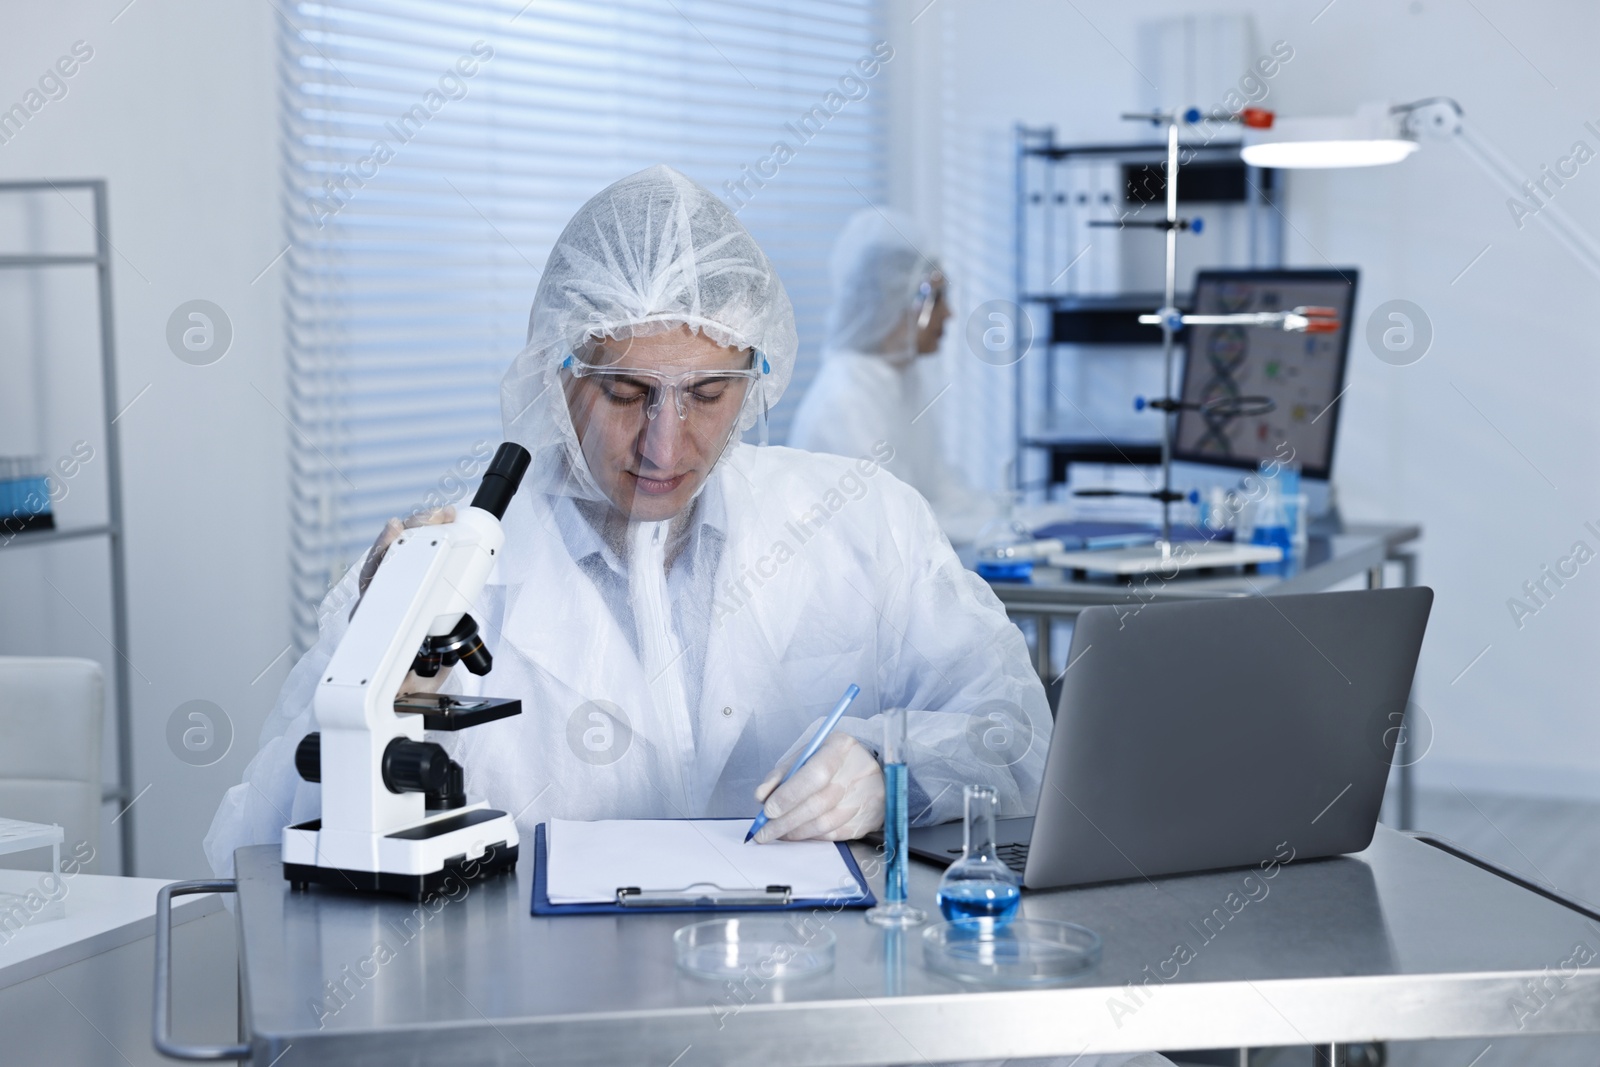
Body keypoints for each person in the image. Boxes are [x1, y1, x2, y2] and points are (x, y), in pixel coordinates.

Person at [204, 166, 1049, 873]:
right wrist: (378, 683)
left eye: (708, 394)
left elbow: (1017, 729)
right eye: (627, 392)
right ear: (555, 370)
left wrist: (889, 769)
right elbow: (243, 858)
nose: (665, 441)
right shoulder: (443, 576)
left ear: (756, 379)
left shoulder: (863, 521)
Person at [788, 208, 1001, 543]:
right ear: (894, 303)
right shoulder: (847, 400)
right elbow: (890, 524)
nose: (949, 314)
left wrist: (1003, 519)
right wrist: (993, 533)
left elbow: (939, 490)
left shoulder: (899, 379)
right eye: (937, 299)